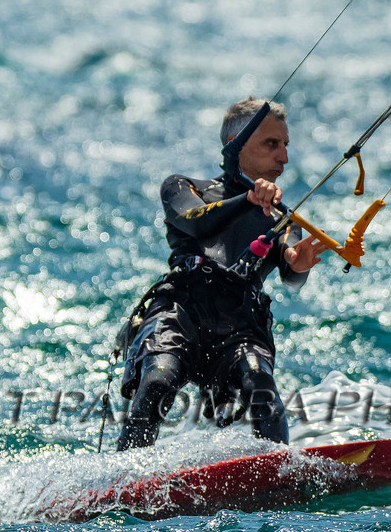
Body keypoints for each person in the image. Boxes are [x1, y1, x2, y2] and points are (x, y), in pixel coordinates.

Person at [115, 97, 329, 450]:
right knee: (157, 380)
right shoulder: (183, 187)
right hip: (181, 311)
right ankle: (123, 474)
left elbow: (292, 272)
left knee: (260, 384)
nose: (284, 157)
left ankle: (279, 473)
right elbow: (198, 224)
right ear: (236, 145)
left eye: (286, 145)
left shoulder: (282, 217)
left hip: (239, 324)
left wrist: (297, 264)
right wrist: (247, 199)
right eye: (272, 144)